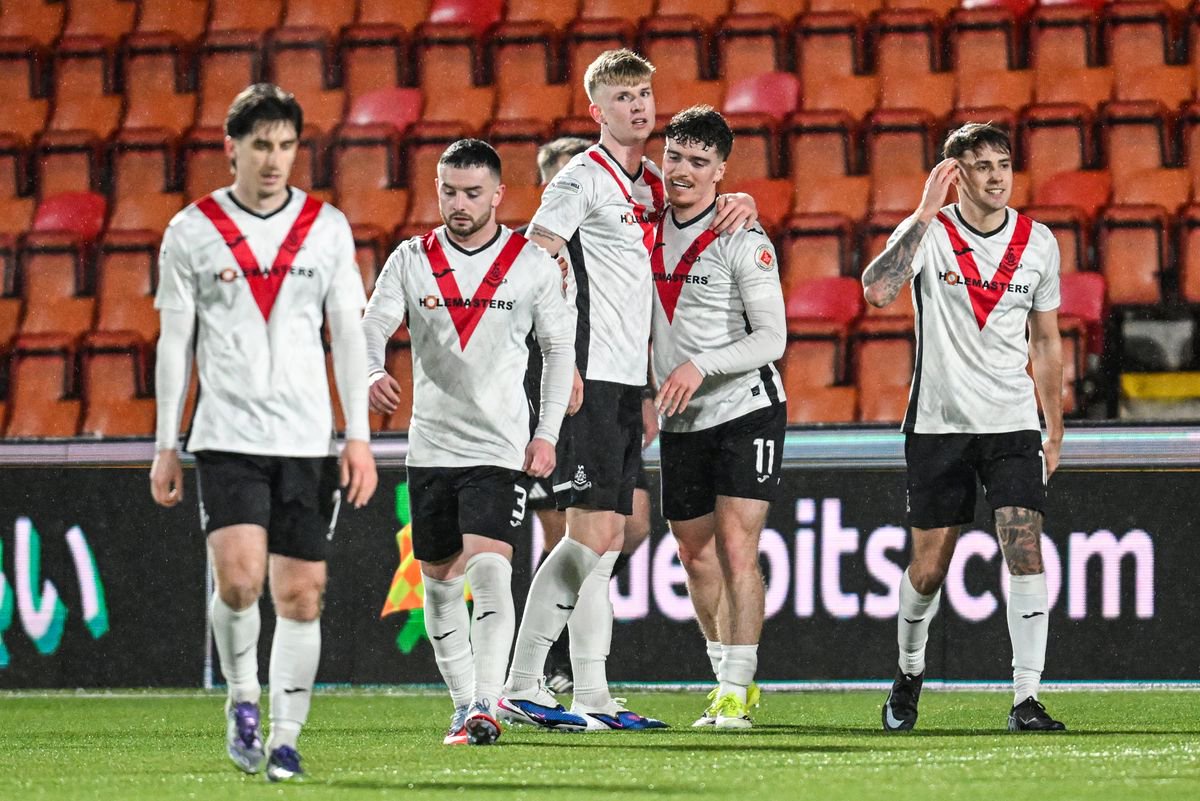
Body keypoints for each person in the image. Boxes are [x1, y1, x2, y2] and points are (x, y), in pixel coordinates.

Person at [498, 48, 757, 732]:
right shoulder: (581, 176)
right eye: (622, 97)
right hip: (584, 374)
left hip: (622, 381)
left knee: (607, 540)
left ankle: (592, 694)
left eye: (643, 94)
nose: (637, 106)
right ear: (597, 110)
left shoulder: (648, 185)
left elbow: (696, 213)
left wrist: (740, 199)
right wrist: (558, 360)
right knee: (589, 535)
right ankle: (520, 682)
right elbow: (532, 259)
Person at [150, 83, 378, 782]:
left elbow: (348, 335)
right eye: (260, 145)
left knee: (301, 595)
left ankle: (286, 737)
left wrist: (358, 435)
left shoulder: (326, 227)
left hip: (307, 440)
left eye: (285, 145)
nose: (274, 159)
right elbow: (174, 341)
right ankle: (243, 698)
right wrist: (165, 442)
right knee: (242, 581)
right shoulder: (192, 230)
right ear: (232, 148)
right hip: (227, 436)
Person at [361, 139, 575, 746]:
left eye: (473, 193)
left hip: (499, 448)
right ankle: (463, 706)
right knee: (438, 581)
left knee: (490, 569)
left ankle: (487, 701)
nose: (460, 204)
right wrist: (372, 370)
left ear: (498, 195)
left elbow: (559, 349)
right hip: (431, 447)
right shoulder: (412, 258)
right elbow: (372, 324)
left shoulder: (528, 262)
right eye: (450, 192)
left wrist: (546, 433)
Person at [862, 122, 1066, 733]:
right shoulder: (930, 232)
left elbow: (1046, 341)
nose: (997, 176)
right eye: (981, 166)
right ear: (956, 175)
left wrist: (1054, 427)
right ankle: (909, 671)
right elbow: (877, 292)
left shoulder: (1039, 242)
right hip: (940, 424)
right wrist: (924, 211)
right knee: (928, 570)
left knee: (1024, 548)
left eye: (1003, 164)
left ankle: (1026, 698)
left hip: (1012, 423)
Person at [651, 106, 787, 730]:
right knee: (693, 553)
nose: (683, 171)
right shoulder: (641, 222)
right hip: (681, 418)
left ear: (720, 171)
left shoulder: (743, 238)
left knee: (737, 548)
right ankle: (726, 677)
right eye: (675, 156)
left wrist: (699, 366)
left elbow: (772, 339)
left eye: (699, 162)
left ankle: (736, 689)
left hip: (745, 408)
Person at [525, 136, 657, 695]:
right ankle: (533, 673)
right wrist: (561, 371)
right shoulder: (545, 249)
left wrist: (644, 390)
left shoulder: (614, 230)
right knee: (576, 535)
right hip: (570, 388)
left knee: (623, 529)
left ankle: (587, 688)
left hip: (618, 384)